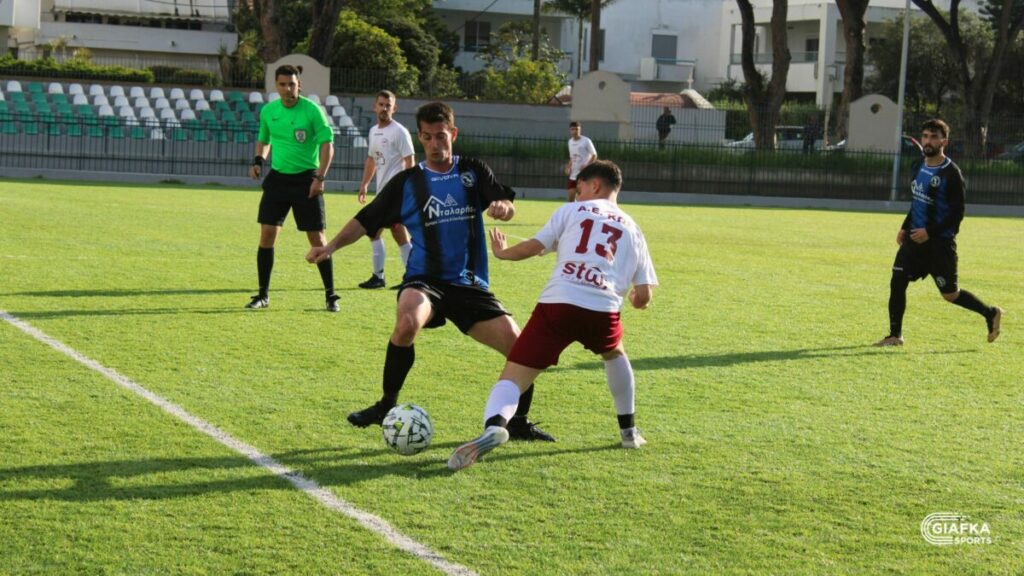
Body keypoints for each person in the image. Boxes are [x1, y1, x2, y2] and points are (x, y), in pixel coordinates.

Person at [307, 101, 554, 442]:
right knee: (407, 322)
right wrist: (330, 246)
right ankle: (385, 405)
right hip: (424, 279)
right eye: (427, 137)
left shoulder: (472, 171)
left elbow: (504, 202)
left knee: (520, 349)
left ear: (453, 133)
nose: (435, 144)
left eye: (441, 136)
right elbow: (366, 219)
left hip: (468, 283)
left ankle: (518, 422)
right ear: (420, 137)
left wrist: (504, 207)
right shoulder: (407, 182)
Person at [448, 160, 658, 471]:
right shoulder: (633, 228)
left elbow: (534, 247)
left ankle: (495, 426)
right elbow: (644, 295)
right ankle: (629, 432)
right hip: (602, 309)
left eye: (580, 188)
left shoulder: (571, 211)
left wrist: (502, 253)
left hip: (558, 303)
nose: (577, 194)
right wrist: (637, 300)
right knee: (615, 355)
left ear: (594, 185)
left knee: (514, 375)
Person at [874, 118, 1002, 347]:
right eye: (925, 136)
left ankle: (990, 313)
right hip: (914, 241)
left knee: (950, 294)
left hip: (939, 245)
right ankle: (895, 335)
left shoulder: (951, 173)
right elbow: (917, 202)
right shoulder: (917, 165)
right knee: (897, 280)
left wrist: (930, 232)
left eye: (934, 137)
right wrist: (905, 226)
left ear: (944, 141)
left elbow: (957, 214)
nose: (928, 141)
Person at [247, 64, 339, 312]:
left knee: (317, 239)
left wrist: (320, 177)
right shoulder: (269, 111)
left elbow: (327, 145)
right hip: (278, 179)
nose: (288, 89)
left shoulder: (312, 111)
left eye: (292, 84)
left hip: (307, 180)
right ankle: (263, 295)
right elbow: (264, 139)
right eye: (283, 84)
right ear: (276, 86)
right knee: (267, 235)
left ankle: (331, 296)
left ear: (299, 85)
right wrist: (258, 160)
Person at [356, 90, 415, 290]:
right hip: (381, 193)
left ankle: (412, 277)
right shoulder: (373, 131)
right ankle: (378, 276)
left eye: (387, 105)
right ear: (375, 107)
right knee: (374, 231)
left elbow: (410, 161)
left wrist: (406, 189)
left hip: (396, 193)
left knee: (397, 233)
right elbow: (371, 159)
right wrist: (364, 184)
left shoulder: (399, 131)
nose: (384, 108)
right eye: (381, 104)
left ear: (394, 108)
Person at [565, 121, 598, 202]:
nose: (575, 131)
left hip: (584, 175)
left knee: (583, 200)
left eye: (577, 129)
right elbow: (572, 157)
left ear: (580, 130)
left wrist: (586, 166)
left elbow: (594, 155)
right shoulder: (570, 142)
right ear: (570, 130)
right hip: (573, 175)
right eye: (573, 129)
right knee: (570, 200)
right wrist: (568, 167)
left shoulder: (586, 141)